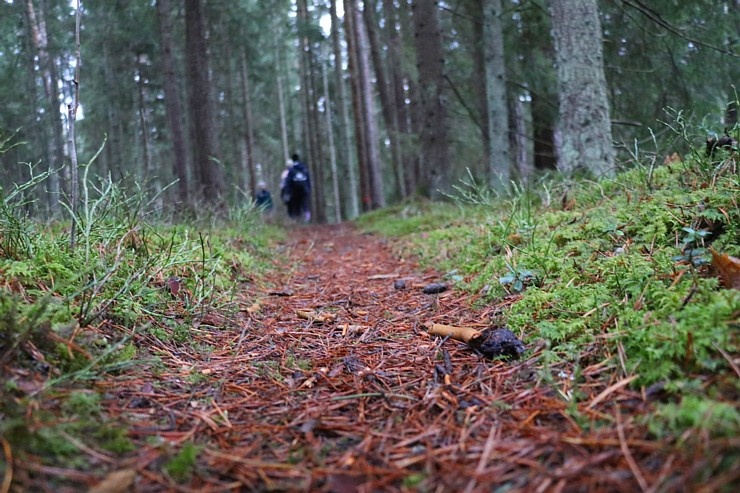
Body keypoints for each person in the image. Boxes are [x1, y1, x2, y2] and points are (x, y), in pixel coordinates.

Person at [284, 154, 311, 222]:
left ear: (292, 160)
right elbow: (308, 179)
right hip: (304, 189)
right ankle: (307, 216)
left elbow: (288, 181)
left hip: (294, 191)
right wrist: (308, 189)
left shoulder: (292, 169)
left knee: (296, 204)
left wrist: (288, 192)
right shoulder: (304, 167)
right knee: (304, 203)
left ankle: (298, 219)